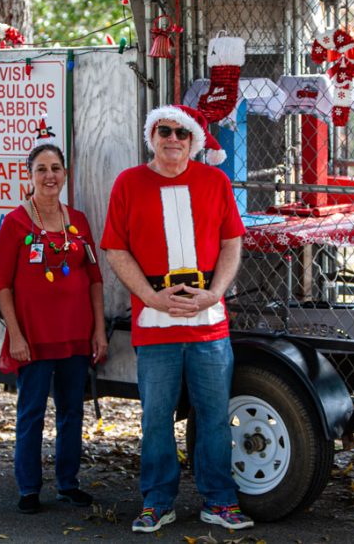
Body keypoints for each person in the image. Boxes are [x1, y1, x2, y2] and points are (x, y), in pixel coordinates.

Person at [100, 104, 253, 533]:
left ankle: (220, 500)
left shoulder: (214, 181)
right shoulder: (129, 184)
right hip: (155, 320)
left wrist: (215, 293)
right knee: (155, 417)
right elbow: (115, 248)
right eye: (164, 130)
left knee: (214, 415)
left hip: (208, 320)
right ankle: (157, 501)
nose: (172, 139)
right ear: (152, 135)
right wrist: (150, 296)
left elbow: (231, 241)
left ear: (194, 141)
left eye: (181, 133)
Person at [0, 143, 108, 514]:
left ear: (65, 174)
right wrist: (16, 336)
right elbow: (3, 286)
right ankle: (28, 488)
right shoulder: (15, 223)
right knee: (31, 413)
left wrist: (99, 331)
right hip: (34, 338)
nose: (49, 176)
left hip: (76, 335)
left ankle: (67, 483)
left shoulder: (78, 221)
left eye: (56, 168)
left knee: (71, 411)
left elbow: (94, 279)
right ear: (29, 176)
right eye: (41, 169)